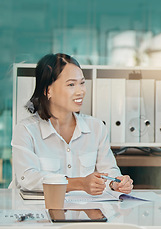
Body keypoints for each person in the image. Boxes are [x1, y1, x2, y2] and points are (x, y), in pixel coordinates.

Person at [11, 53, 133, 195]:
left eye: (82, 83)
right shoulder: (26, 130)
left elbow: (108, 170)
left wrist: (115, 183)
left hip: (82, 212)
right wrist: (80, 183)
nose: (80, 91)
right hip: (38, 213)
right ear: (47, 90)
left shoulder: (97, 128)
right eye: (71, 84)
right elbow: (28, 179)